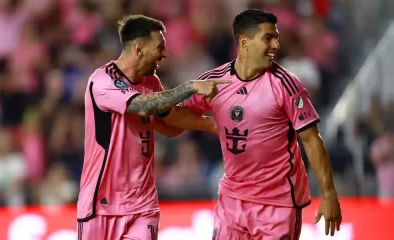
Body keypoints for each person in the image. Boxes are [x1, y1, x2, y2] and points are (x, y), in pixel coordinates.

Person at [163, 9, 342, 239]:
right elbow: (173, 115)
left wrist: (328, 194)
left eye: (276, 37)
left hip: (277, 203)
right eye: (268, 38)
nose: (276, 45)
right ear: (245, 42)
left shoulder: (286, 84)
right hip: (232, 201)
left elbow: (311, 139)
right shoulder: (215, 82)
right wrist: (206, 124)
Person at [76, 15, 229, 240]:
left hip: (142, 204)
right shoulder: (102, 81)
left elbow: (168, 123)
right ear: (139, 48)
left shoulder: (151, 82)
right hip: (102, 205)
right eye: (160, 47)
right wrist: (191, 88)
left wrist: (211, 123)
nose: (164, 54)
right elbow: (142, 106)